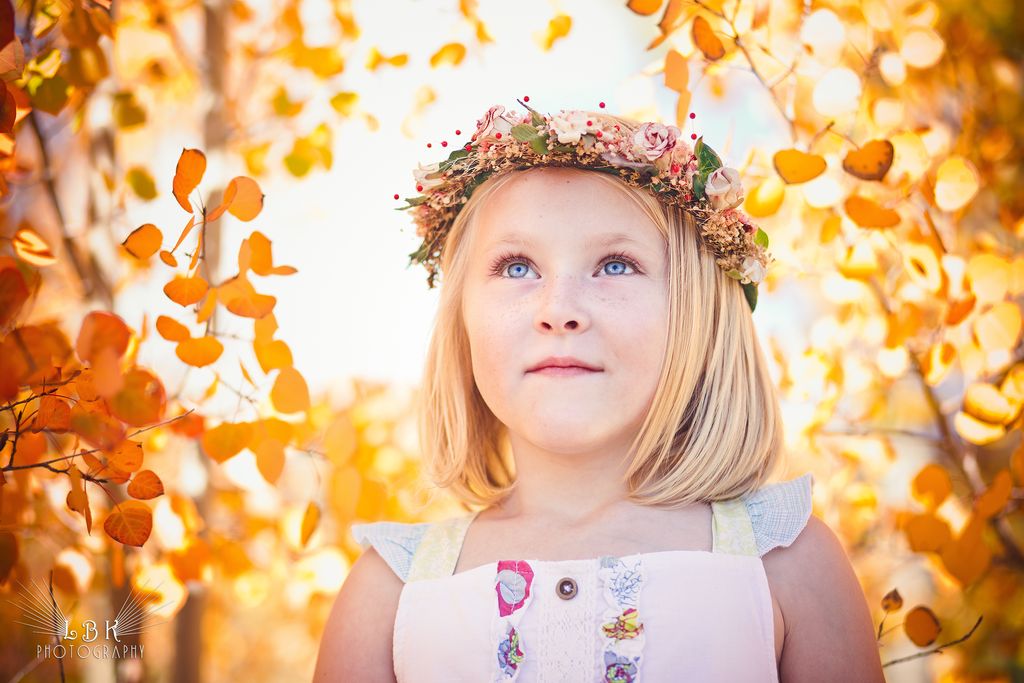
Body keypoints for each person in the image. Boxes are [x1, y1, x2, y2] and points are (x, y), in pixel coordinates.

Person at [313, 100, 884, 682]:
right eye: (516, 266)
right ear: (461, 321)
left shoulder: (784, 562)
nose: (558, 310)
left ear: (699, 313)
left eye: (614, 265)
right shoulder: (392, 592)